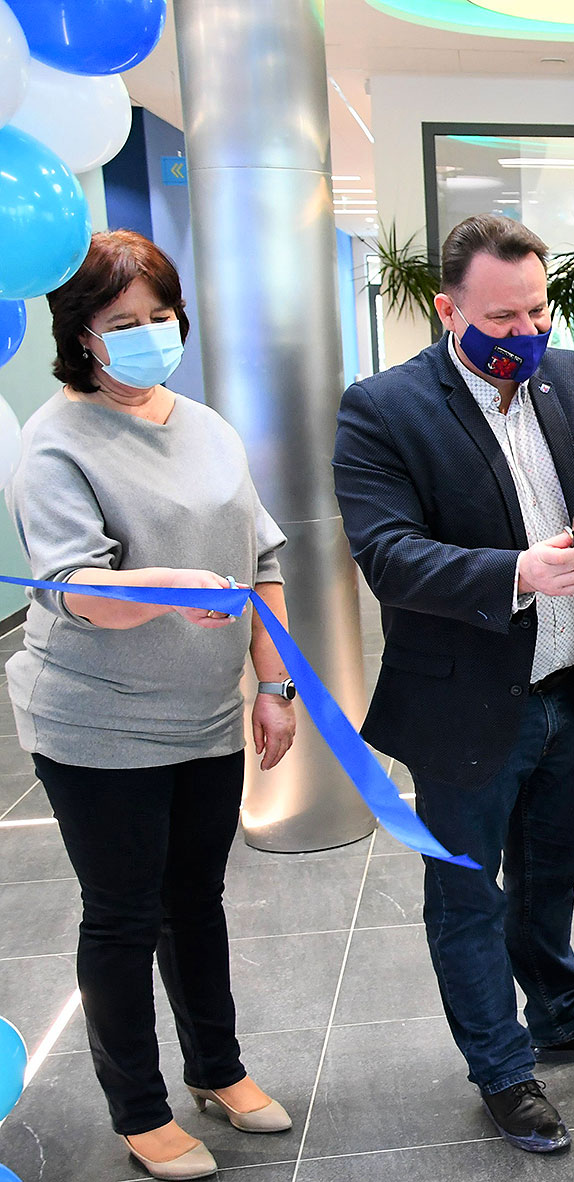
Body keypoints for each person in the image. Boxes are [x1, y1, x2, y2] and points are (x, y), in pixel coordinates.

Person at [333, 215, 574, 1155]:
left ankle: (560, 1014)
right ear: (448, 311)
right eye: (501, 319)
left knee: (552, 873)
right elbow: (387, 555)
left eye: (537, 312)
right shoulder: (384, 408)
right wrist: (514, 572)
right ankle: (503, 1069)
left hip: (567, 690)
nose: (525, 333)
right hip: (464, 703)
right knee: (467, 896)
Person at [8, 230, 295, 1181]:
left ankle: (219, 1069)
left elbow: (261, 563)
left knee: (195, 902)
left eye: (160, 316)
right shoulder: (54, 441)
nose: (147, 335)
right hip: (97, 725)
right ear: (81, 334)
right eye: (122, 322)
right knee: (123, 916)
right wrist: (170, 588)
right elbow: (74, 591)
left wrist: (274, 685)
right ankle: (139, 1110)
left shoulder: (207, 426)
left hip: (205, 715)